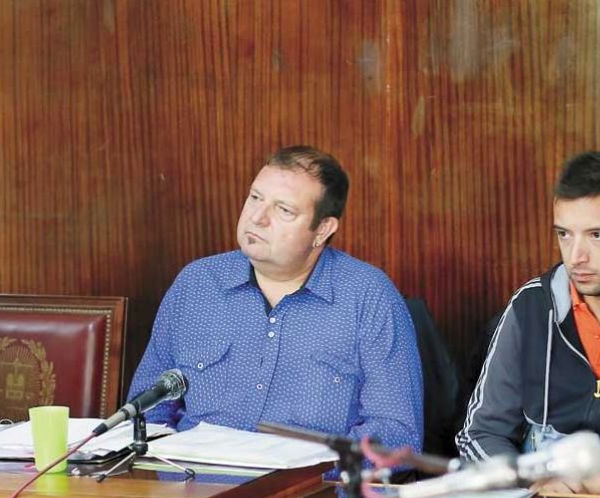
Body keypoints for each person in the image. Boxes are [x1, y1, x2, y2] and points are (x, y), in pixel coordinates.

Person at [127, 145, 423, 452]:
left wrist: (314, 472)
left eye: (284, 210)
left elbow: (396, 433)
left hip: (308, 492)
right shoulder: (198, 284)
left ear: (322, 229)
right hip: (191, 485)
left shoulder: (368, 297)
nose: (257, 218)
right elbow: (147, 410)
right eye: (255, 198)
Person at [457, 151, 600, 493]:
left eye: (597, 236)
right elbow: (479, 435)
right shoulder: (531, 306)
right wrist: (530, 482)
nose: (576, 257)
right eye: (564, 234)